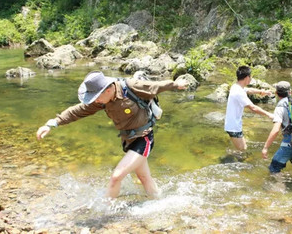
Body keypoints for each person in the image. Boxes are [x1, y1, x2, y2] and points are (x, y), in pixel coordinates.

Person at [36, 71, 188, 199]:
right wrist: (53, 123)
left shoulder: (131, 87)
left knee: (116, 177)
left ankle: (107, 213)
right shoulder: (102, 100)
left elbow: (155, 87)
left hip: (144, 138)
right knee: (144, 178)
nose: (95, 101)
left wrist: (176, 84)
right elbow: (78, 110)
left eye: (96, 96)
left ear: (108, 89)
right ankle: (160, 201)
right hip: (128, 141)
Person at [262, 81, 292, 173]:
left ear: (276, 93)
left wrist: (265, 147)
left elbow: (275, 130)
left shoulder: (280, 106)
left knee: (274, 169)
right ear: (290, 92)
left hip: (288, 145)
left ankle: (279, 187)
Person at [224, 65, 273, 151]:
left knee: (242, 148)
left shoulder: (236, 86)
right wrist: (268, 114)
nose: (251, 79)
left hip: (232, 124)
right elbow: (253, 107)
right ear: (247, 77)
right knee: (242, 151)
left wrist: (262, 92)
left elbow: (248, 90)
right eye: (250, 77)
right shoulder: (238, 92)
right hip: (234, 127)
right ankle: (230, 161)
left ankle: (232, 156)